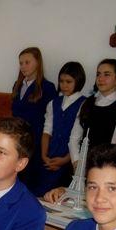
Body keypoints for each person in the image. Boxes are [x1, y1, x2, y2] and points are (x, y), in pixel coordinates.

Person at [11, 47, 58, 194]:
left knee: (31, 183)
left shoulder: (47, 87)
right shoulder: (17, 85)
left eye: (27, 62)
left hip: (36, 142)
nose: (23, 66)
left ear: (37, 63)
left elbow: (51, 120)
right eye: (21, 63)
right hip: (17, 140)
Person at [36, 61, 87, 196]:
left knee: (61, 197)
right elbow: (47, 131)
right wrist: (44, 155)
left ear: (78, 81)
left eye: (69, 82)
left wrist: (64, 160)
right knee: (42, 194)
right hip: (50, 157)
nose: (64, 85)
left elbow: (79, 139)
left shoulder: (85, 104)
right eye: (61, 81)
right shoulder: (53, 103)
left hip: (68, 161)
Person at [68, 59, 116, 167]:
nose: (100, 78)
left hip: (105, 165)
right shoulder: (87, 103)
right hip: (81, 163)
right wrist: (76, 161)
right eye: (98, 74)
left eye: (107, 74)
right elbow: (74, 137)